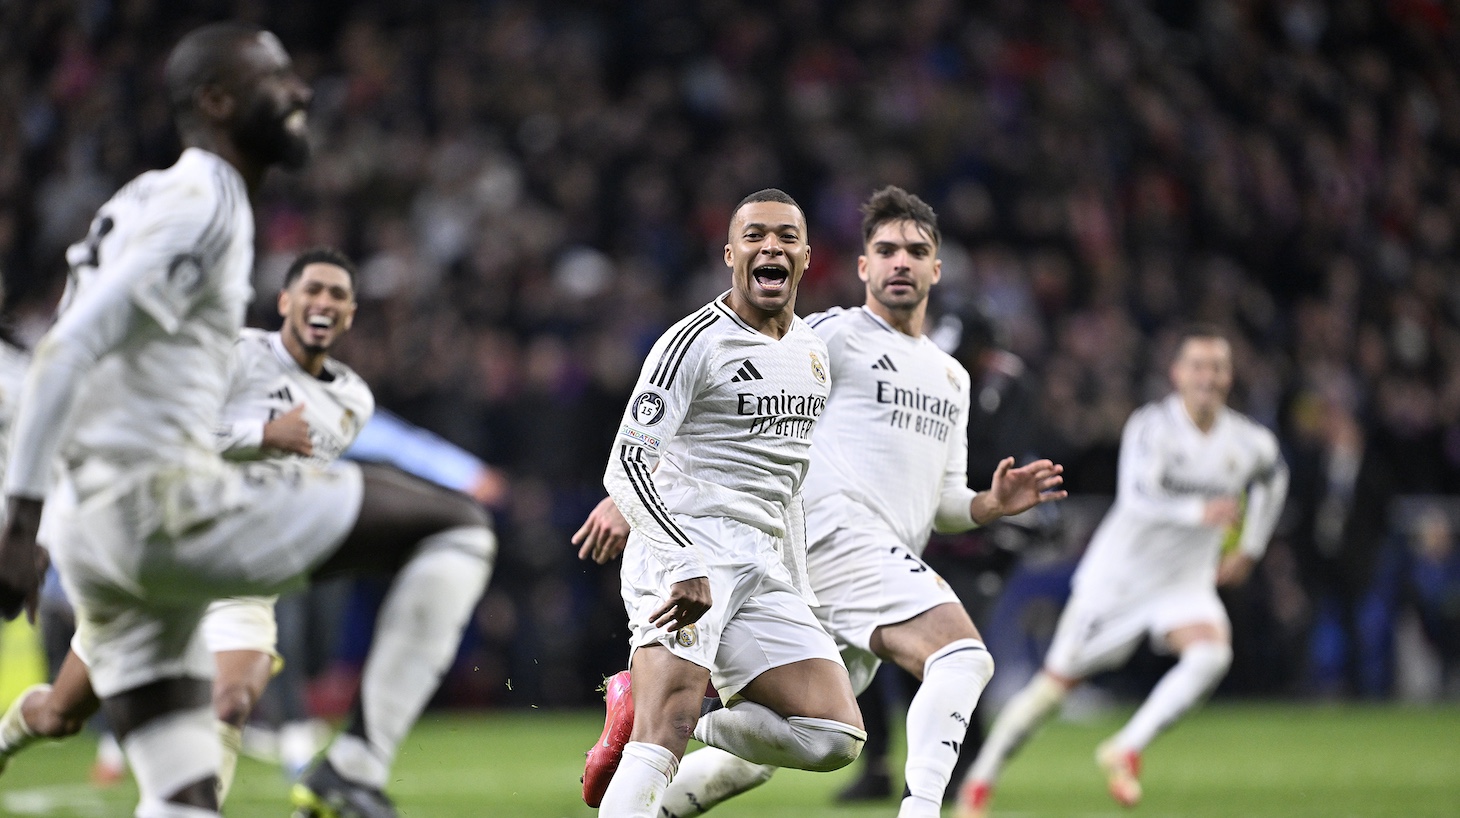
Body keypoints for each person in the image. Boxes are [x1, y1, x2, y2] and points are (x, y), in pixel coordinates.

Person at [0, 24, 494, 818]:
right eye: (276, 79)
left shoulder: (150, 196)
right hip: (164, 513)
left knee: (184, 790)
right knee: (455, 528)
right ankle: (353, 768)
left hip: (136, 534)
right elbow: (65, 352)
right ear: (219, 102)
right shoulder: (208, 204)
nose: (300, 92)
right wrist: (20, 524)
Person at [626, 186, 1062, 818]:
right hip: (834, 536)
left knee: (780, 748)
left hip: (864, 564)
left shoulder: (951, 377)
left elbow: (943, 503)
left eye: (916, 251)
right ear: (864, 267)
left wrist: (988, 505)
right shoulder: (830, 335)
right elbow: (719, 392)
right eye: (885, 250)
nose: (900, 262)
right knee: (962, 654)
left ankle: (655, 776)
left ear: (936, 269)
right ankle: (924, 811)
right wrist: (640, 491)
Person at [0, 247, 375, 804]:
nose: (324, 302)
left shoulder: (353, 401)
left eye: (338, 295)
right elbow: (164, 436)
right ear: (286, 301)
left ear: (349, 313)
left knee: (230, 702)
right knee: (61, 713)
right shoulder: (236, 355)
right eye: (313, 290)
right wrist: (260, 437)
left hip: (241, 579)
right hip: (166, 556)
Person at [584, 188, 866, 818]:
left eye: (787, 237)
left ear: (806, 256)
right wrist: (684, 558)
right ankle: (661, 715)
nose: (772, 247)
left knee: (832, 736)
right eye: (757, 235)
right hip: (688, 547)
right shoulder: (693, 343)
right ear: (731, 254)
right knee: (667, 730)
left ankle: (654, 709)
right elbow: (625, 464)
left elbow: (787, 479)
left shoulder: (811, 352)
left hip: (762, 563)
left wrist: (800, 589)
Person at [956, 327, 1289, 818]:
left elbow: (1275, 475)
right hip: (1117, 583)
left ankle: (1127, 747)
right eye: (1197, 365)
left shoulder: (1247, 439)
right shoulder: (1152, 428)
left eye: (1217, 367)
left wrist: (1253, 546)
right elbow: (1139, 496)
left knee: (1212, 654)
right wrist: (1200, 513)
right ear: (1177, 374)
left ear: (1229, 376)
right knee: (1051, 691)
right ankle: (980, 780)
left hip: (1184, 583)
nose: (1208, 377)